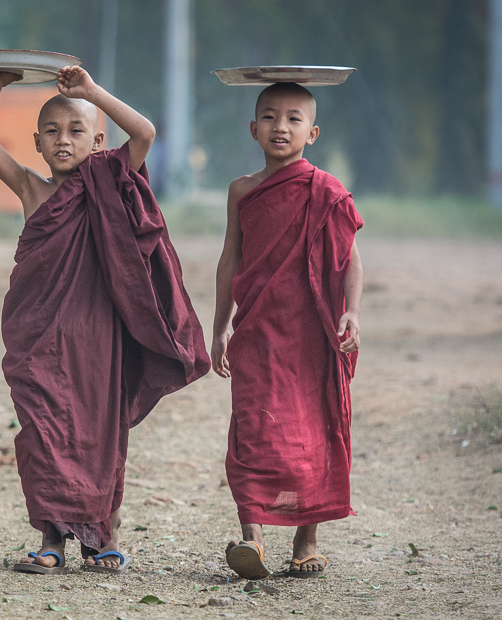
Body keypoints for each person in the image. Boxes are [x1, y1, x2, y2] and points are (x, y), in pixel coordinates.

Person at [0, 66, 209, 575]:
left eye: (77, 130)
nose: (63, 140)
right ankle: (51, 539)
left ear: (98, 139)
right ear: (36, 142)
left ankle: (104, 538)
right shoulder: (34, 192)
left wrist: (91, 92)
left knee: (100, 434)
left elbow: (144, 132)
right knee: (44, 431)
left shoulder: (111, 178)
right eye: (52, 132)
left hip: (99, 338)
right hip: (38, 340)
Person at [211, 82, 363, 579]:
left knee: (311, 433)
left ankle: (306, 539)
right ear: (253, 130)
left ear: (312, 133)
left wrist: (352, 312)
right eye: (271, 117)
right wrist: (219, 328)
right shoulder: (242, 190)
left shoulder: (328, 191)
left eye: (294, 118)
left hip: (310, 334)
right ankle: (251, 538)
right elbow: (229, 259)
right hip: (256, 329)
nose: (282, 127)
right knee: (253, 427)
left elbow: (350, 259)